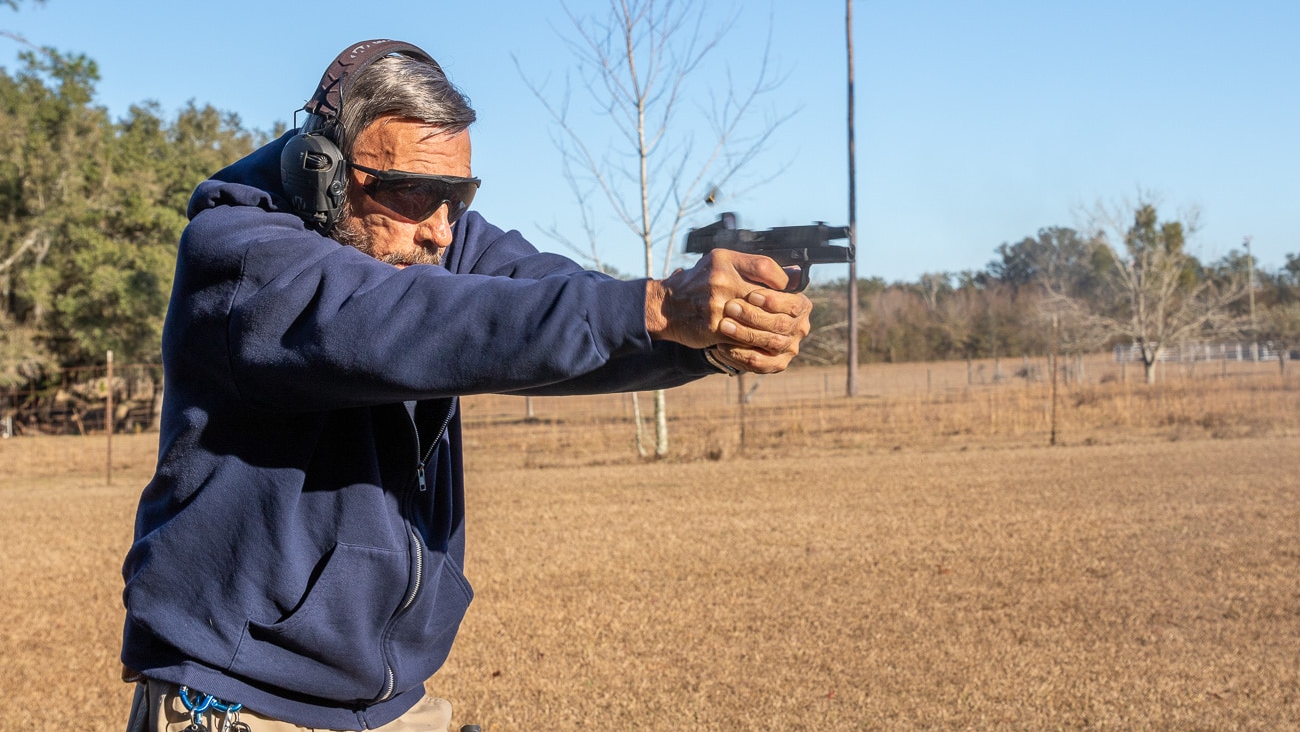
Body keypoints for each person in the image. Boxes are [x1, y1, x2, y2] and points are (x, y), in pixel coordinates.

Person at [121, 40, 811, 732]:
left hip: (391, 704)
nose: (442, 231)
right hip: (242, 701)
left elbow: (561, 304)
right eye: (414, 190)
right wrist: (657, 305)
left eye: (459, 195)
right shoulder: (243, 260)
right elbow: (419, 322)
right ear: (321, 173)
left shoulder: (432, 231)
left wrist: (709, 335)